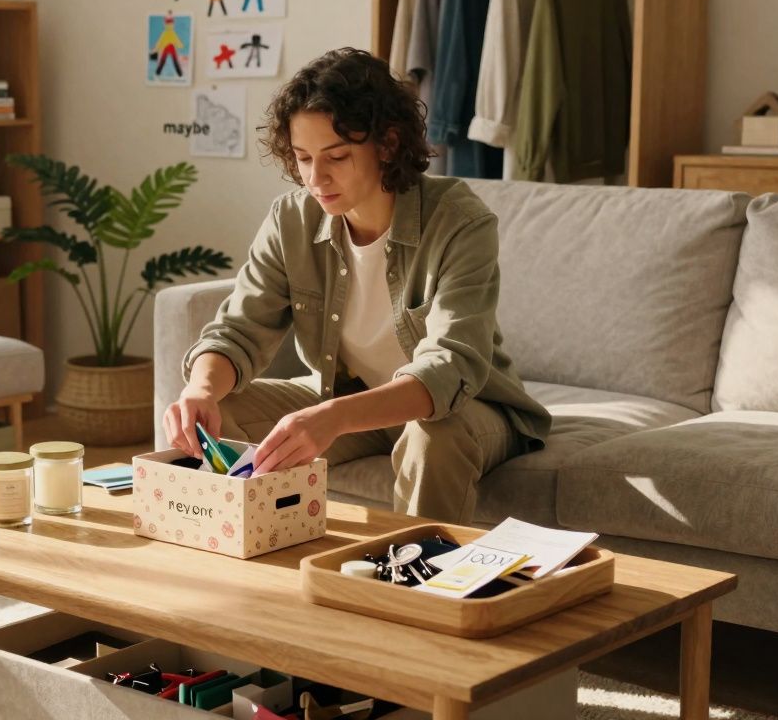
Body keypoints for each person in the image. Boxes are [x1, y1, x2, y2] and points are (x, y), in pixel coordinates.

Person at [162, 48, 551, 524]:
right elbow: (238, 331)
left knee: (433, 435)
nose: (315, 178)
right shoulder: (291, 219)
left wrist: (335, 418)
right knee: (218, 411)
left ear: (387, 144)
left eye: (337, 157)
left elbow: (450, 366)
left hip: (467, 410)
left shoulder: (459, 221)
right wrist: (200, 390)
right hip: (350, 400)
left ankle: (412, 569)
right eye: (303, 158)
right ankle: (264, 554)